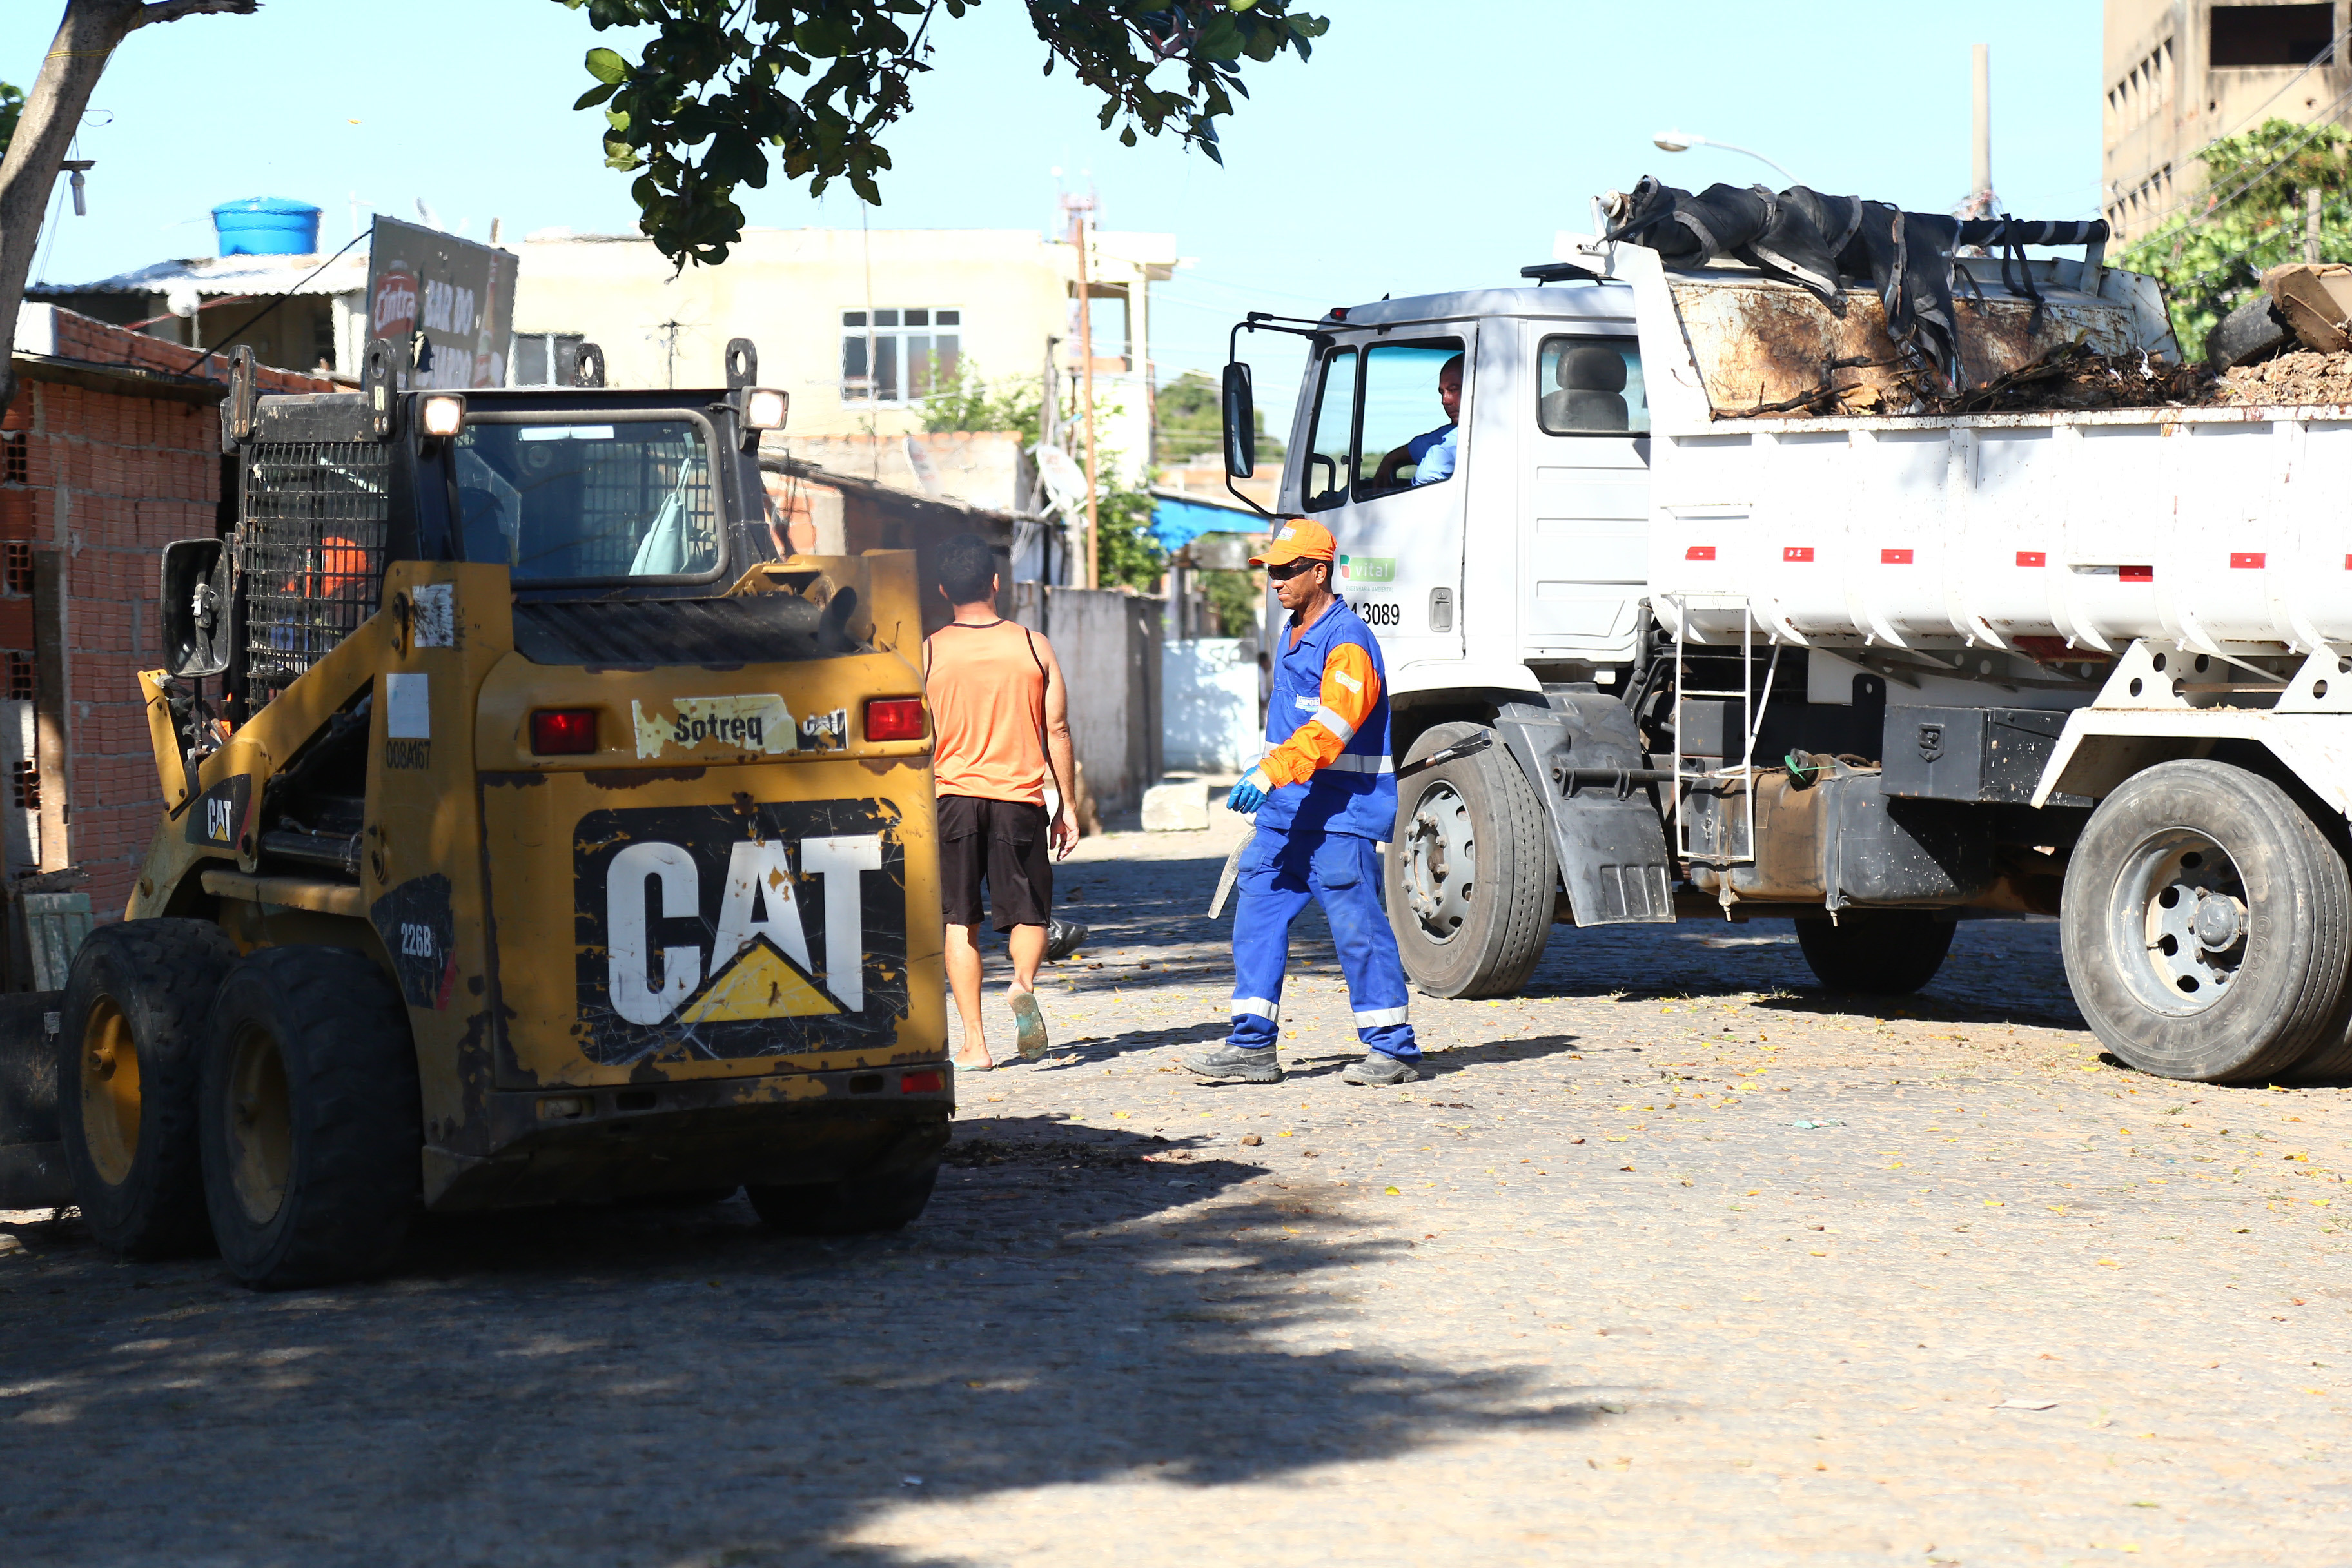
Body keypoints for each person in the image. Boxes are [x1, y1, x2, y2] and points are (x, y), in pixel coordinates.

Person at [1186, 516, 1421, 1088]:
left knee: (1358, 930)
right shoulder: (1295, 634)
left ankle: (1392, 1048)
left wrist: (1270, 772)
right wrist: (1271, 784)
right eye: (1271, 570)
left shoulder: (1348, 642)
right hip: (1284, 819)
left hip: (1339, 817)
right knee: (1256, 920)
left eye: (1289, 571)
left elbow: (1332, 727)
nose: (1276, 581)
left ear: (1321, 572)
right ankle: (1251, 1046)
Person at [923, 533, 1078, 1070]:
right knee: (1028, 910)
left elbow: (915, 738)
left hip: (952, 799)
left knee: (959, 920)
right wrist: (1069, 806)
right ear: (995, 584)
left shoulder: (928, 651)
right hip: (1019, 799)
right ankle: (1021, 983)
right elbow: (1055, 728)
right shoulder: (1034, 646)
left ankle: (975, 1044)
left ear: (945, 591)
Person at [1373, 353, 1463, 490]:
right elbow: (1420, 446)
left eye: (1453, 390)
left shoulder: (1476, 432)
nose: (1445, 400)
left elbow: (1430, 473)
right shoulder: (1453, 430)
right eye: (1442, 393)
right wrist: (1389, 460)